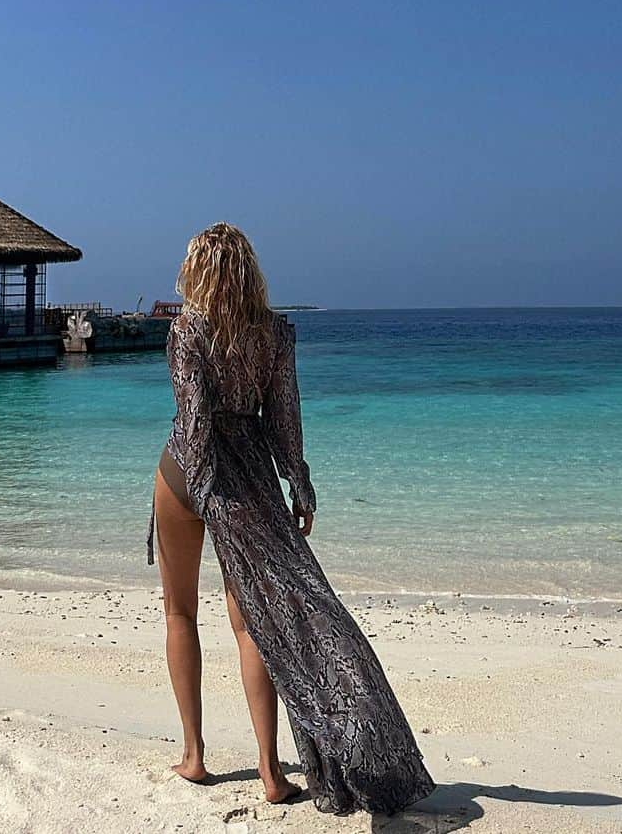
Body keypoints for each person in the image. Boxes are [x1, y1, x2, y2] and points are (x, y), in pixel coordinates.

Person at [146, 222, 436, 815]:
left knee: (179, 610)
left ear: (196, 270)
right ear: (250, 270)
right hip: (250, 477)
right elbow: (283, 417)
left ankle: (195, 755)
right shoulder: (274, 333)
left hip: (188, 475)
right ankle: (271, 769)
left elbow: (194, 420)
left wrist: (205, 492)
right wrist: (297, 482)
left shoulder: (186, 330)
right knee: (253, 622)